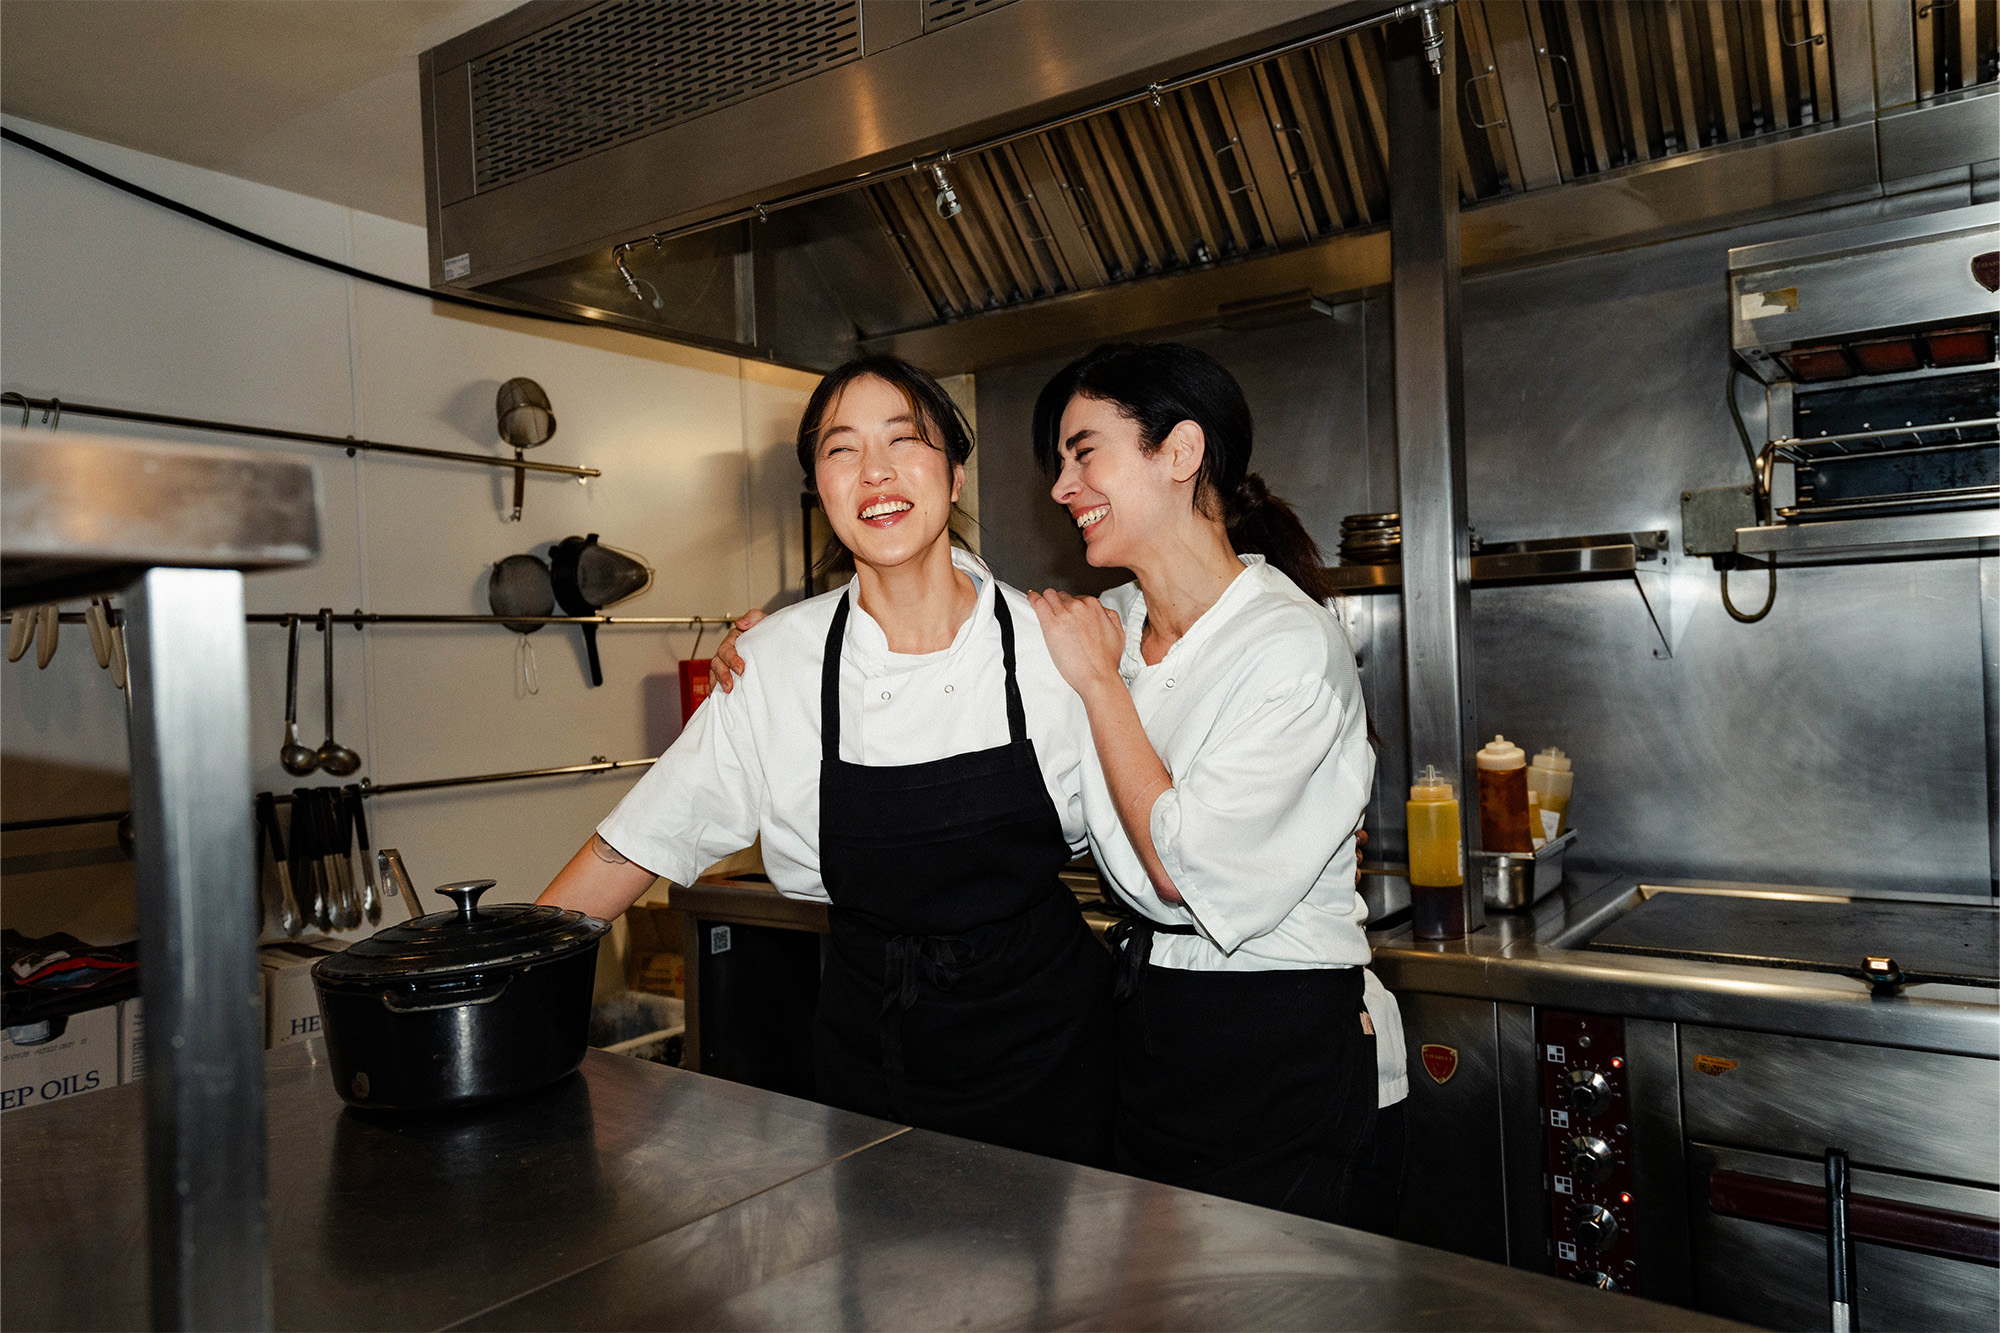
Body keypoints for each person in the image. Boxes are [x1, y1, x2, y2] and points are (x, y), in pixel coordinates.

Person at [539, 356, 1114, 1166]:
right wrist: (497, 993)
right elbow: (632, 845)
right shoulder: (776, 662)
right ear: (820, 488)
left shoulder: (1059, 645)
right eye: (841, 450)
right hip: (870, 1076)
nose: (874, 470)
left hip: (1056, 1069)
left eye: (905, 439)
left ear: (954, 474)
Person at [1025, 340, 1402, 1228]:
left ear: (1181, 452)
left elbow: (1182, 870)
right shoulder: (1110, 621)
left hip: (1276, 1041)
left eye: (1084, 452)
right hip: (1150, 1020)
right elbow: (962, 639)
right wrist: (783, 648)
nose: (1061, 487)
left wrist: (1100, 685)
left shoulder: (1288, 646)